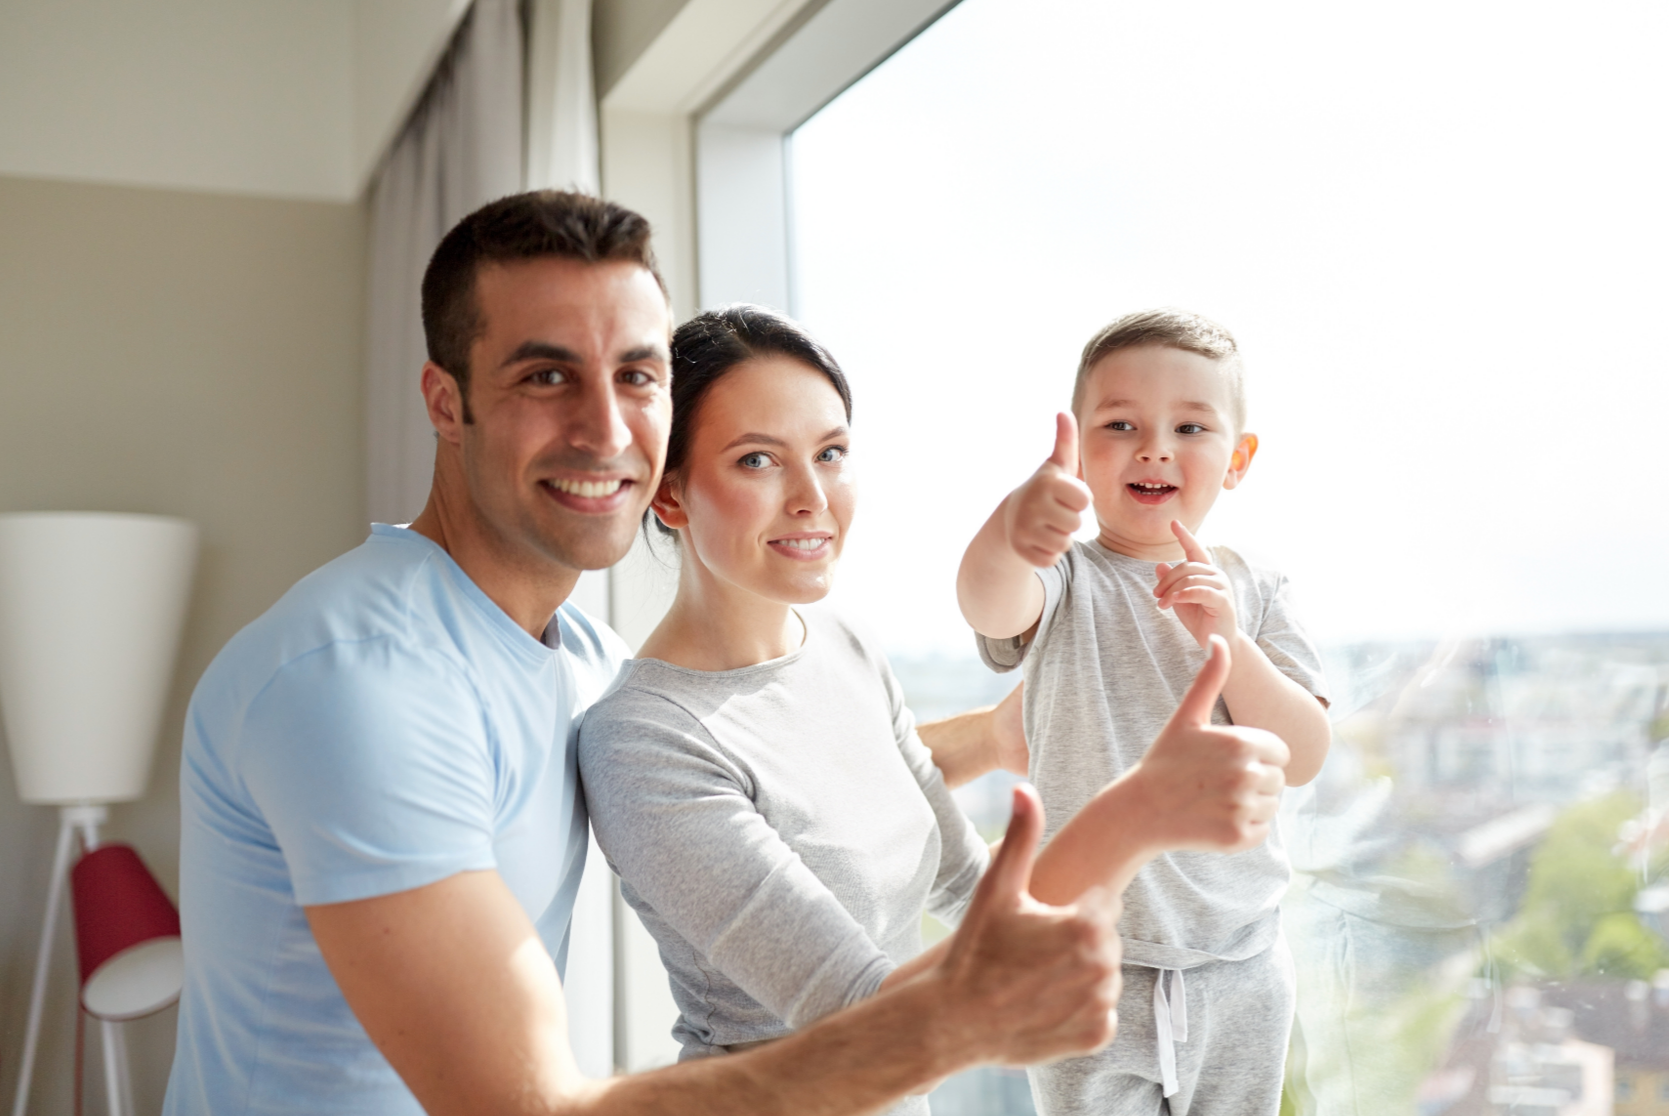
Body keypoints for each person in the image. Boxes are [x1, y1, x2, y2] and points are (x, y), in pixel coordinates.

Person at [162, 191, 1128, 1116]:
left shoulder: (577, 652)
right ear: (445, 403)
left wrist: (996, 736)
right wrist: (956, 1017)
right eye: (546, 376)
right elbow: (518, 1107)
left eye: (635, 376)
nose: (606, 429)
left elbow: (758, 774)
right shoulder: (361, 684)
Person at [577, 305, 1295, 1116]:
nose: (813, 497)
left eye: (831, 454)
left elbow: (964, 882)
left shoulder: (841, 645)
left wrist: (1191, 930)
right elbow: (882, 1024)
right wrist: (1133, 813)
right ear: (668, 496)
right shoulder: (643, 740)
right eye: (756, 461)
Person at [956, 308, 1334, 1114]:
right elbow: (990, 605)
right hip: (1081, 959)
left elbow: (1301, 753)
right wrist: (1011, 533)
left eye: (1189, 426)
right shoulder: (1062, 578)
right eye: (1119, 424)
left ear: (1237, 460)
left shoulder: (1256, 586)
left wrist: (1230, 639)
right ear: (1082, 456)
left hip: (1236, 965)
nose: (1154, 447)